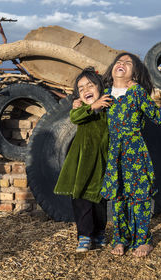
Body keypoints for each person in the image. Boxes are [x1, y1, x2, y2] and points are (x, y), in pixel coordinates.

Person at [100, 52, 161, 257]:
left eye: (128, 63)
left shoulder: (137, 93)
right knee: (118, 197)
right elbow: (88, 107)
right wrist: (79, 104)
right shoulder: (105, 93)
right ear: (112, 69)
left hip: (135, 150)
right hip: (113, 152)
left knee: (140, 196)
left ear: (135, 73)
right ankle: (120, 239)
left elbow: (156, 116)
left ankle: (143, 240)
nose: (122, 64)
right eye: (119, 61)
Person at [54, 67, 112, 253]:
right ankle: (84, 236)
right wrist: (91, 107)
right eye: (81, 88)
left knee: (100, 202)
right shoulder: (81, 110)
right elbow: (75, 117)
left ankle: (99, 233)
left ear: (100, 88)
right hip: (82, 164)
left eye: (90, 85)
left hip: (101, 163)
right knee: (81, 200)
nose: (86, 89)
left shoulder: (109, 108)